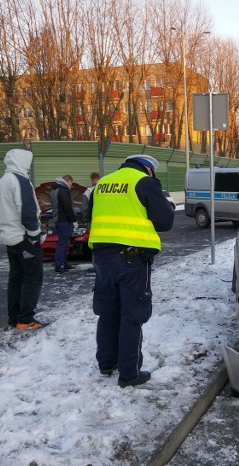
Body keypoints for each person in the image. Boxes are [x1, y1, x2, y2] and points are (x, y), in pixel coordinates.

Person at [88, 154, 174, 388]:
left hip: (102, 259)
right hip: (131, 260)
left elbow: (90, 217)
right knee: (132, 316)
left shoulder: (102, 184)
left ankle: (106, 364)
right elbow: (166, 221)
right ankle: (129, 373)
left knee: (107, 311)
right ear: (148, 168)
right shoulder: (144, 182)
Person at [0, 148, 44, 330]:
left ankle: (13, 317)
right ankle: (26, 318)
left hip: (9, 238)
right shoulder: (21, 181)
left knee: (16, 278)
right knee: (33, 277)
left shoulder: (1, 182)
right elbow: (27, 210)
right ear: (23, 162)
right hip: (24, 238)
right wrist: (34, 235)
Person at [51, 174, 77, 273]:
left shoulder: (55, 189)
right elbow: (67, 207)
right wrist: (74, 220)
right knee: (62, 244)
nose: (71, 186)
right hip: (64, 221)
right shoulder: (63, 190)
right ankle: (59, 265)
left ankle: (64, 263)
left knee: (64, 243)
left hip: (59, 220)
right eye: (71, 183)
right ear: (69, 181)